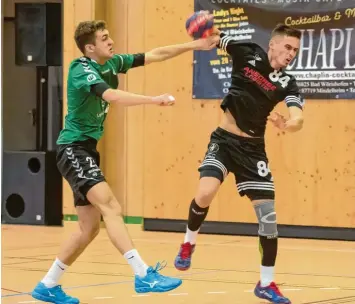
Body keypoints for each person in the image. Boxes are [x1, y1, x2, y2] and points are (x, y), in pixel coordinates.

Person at [31, 20, 219, 304]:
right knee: (111, 207)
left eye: (109, 36)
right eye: (104, 38)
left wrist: (195, 45)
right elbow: (111, 95)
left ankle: (47, 284)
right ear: (90, 47)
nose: (111, 41)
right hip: (73, 148)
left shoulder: (112, 63)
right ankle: (143, 275)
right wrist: (152, 99)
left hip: (86, 150)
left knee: (88, 228)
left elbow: (154, 54)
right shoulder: (81, 69)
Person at [174, 22, 304, 304]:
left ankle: (266, 283)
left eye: (295, 50)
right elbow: (216, 38)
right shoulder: (247, 52)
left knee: (268, 219)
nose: (291, 53)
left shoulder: (287, 83)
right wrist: (205, 26)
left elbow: (298, 118)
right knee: (206, 192)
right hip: (224, 141)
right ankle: (188, 242)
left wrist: (289, 123)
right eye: (287, 47)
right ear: (273, 44)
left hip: (253, 151)